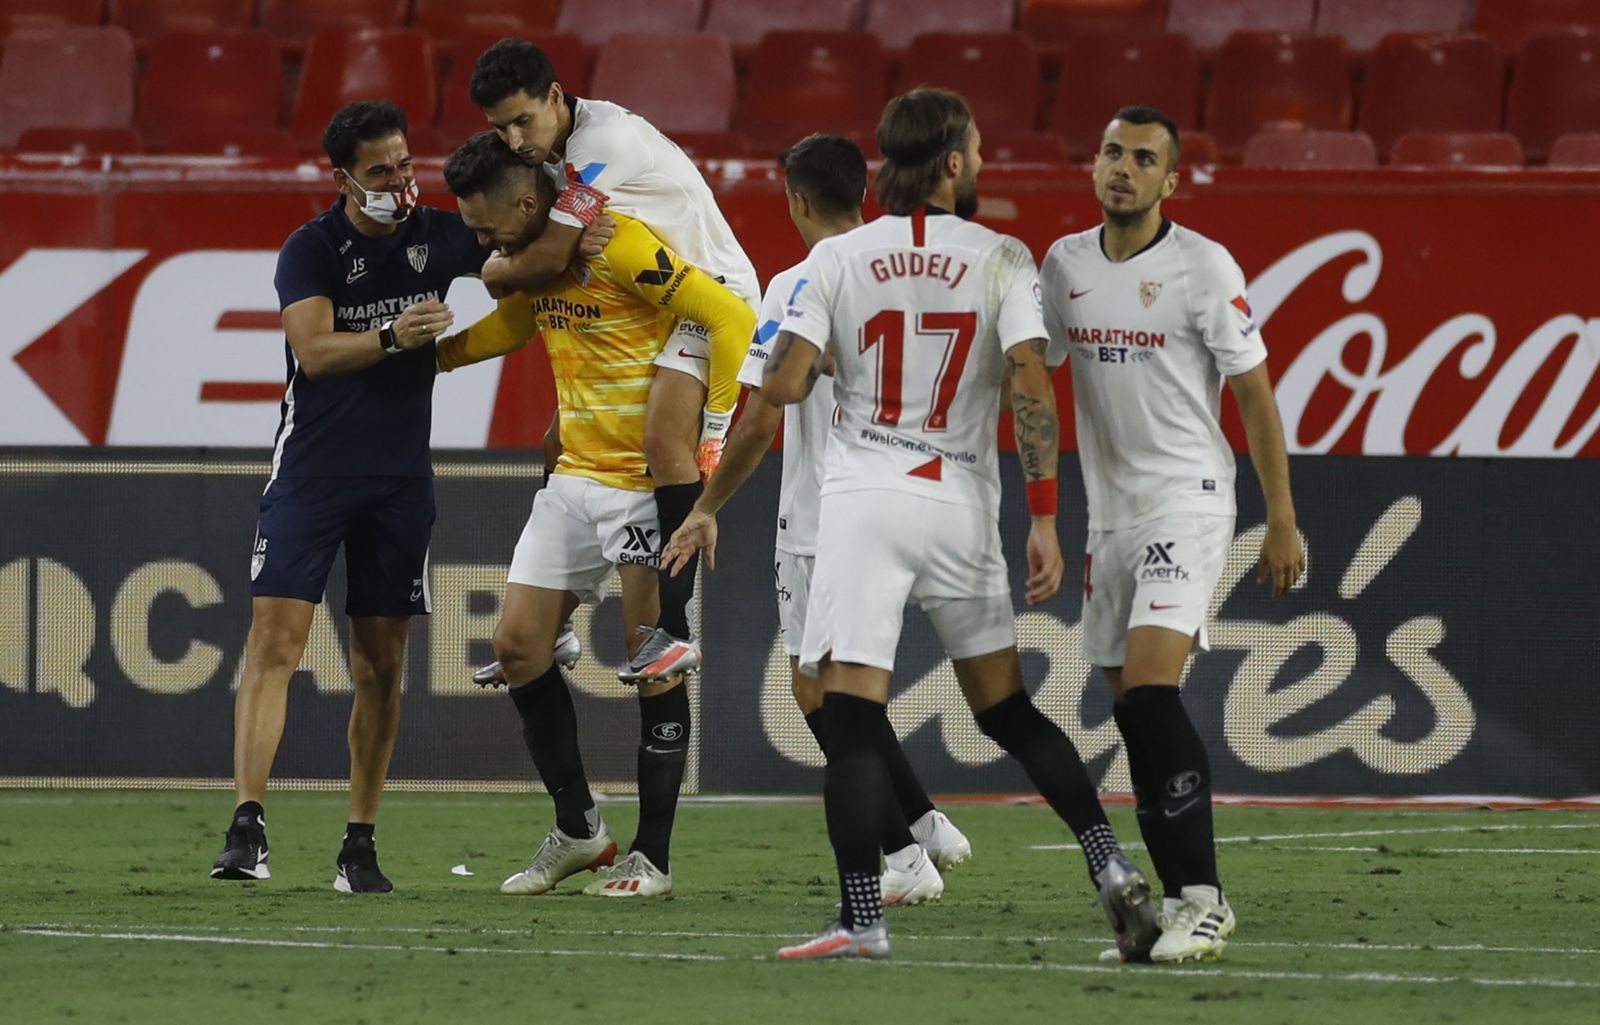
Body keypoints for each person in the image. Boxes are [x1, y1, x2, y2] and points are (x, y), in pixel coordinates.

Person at [758, 88, 1160, 961]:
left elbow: (785, 385)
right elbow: (1028, 379)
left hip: (864, 502)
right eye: (974, 149)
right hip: (961, 503)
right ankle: (1109, 864)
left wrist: (825, 351)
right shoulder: (1002, 256)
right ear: (948, 162)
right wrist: (1045, 518)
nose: (980, 162)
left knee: (852, 718)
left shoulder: (838, 257)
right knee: (1009, 710)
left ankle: (863, 916)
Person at [435, 131, 756, 897]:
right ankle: (581, 828)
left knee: (649, 665)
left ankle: (653, 854)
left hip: (645, 484)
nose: (481, 244)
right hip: (574, 478)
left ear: (526, 199)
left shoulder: (618, 242)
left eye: (486, 227)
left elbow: (727, 319)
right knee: (518, 648)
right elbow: (520, 324)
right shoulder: (535, 260)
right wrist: (439, 358)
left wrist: (708, 441)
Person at [662, 134, 972, 907]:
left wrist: (705, 506)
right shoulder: (905, 275)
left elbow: (762, 419)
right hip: (906, 501)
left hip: (823, 514)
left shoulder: (800, 283)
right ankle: (927, 822)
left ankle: (902, 855)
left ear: (797, 199)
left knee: (814, 689)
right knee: (849, 676)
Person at [1039, 105, 1305, 963]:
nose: (1123, 167)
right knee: (1129, 712)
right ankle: (1164, 913)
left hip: (1186, 501)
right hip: (1107, 514)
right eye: (1111, 151)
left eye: (1143, 158)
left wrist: (1281, 518)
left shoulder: (1202, 266)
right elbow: (1033, 377)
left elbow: (1256, 396)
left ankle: (1205, 898)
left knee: (1152, 693)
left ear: (1171, 180)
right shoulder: (1064, 263)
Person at [210, 100, 494, 893]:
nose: (399, 182)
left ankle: (358, 844)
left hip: (400, 481)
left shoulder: (439, 234)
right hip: (311, 473)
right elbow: (314, 349)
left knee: (381, 665)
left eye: (405, 165)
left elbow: (514, 254)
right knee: (274, 642)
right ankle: (248, 825)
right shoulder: (311, 248)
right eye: (380, 171)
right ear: (342, 177)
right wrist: (395, 336)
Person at [466, 37, 762, 684]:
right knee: (559, 441)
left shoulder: (603, 142)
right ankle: (561, 617)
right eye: (500, 128)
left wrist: (496, 266)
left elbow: (543, 261)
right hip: (661, 293)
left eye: (523, 120)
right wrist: (550, 249)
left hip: (714, 299)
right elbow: (548, 251)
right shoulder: (550, 157)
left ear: (554, 96)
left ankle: (674, 632)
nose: (515, 140)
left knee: (663, 441)